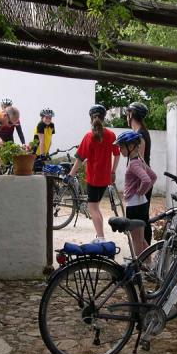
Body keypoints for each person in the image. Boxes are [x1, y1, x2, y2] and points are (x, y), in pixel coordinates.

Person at [67, 104, 120, 243]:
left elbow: (79, 158)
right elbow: (117, 154)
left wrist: (70, 175)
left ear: (91, 118)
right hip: (105, 178)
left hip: (93, 178)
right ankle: (99, 235)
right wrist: (113, 171)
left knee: (93, 209)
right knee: (96, 207)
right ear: (104, 118)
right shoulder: (111, 135)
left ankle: (101, 238)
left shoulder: (89, 136)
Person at [114, 131, 157, 256]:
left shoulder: (133, 164)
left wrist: (140, 192)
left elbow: (147, 179)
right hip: (141, 204)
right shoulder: (139, 161)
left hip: (134, 206)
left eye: (121, 146)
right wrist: (141, 194)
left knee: (137, 241)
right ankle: (149, 264)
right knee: (141, 239)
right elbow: (153, 177)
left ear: (131, 146)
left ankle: (139, 268)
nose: (120, 150)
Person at [126, 102, 153, 244]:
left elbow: (139, 162)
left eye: (127, 114)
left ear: (131, 115)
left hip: (141, 181)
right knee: (141, 218)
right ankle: (144, 253)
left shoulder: (140, 135)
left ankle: (145, 254)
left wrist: (137, 188)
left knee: (141, 219)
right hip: (142, 180)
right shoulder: (139, 132)